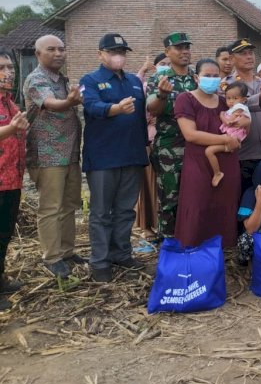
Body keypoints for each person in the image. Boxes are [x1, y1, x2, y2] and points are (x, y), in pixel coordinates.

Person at [80, 34, 149, 282]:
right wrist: (115, 109)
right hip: (103, 158)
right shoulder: (91, 80)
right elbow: (90, 107)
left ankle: (122, 253)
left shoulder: (132, 81)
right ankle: (100, 262)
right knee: (100, 213)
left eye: (122, 51)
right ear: (101, 54)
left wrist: (144, 146)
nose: (118, 55)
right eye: (112, 51)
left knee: (125, 210)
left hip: (131, 155)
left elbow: (141, 118)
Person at [23, 34, 84, 278]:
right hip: (47, 155)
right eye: (52, 49)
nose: (59, 53)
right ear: (38, 54)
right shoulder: (36, 79)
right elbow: (51, 104)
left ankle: (67, 251)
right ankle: (52, 256)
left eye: (61, 49)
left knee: (70, 205)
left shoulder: (62, 78)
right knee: (51, 207)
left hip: (70, 152)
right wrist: (69, 101)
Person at [174, 59, 245, 247]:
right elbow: (190, 134)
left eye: (215, 76)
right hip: (198, 163)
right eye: (207, 76)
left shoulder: (225, 102)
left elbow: (240, 128)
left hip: (227, 162)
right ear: (197, 77)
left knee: (224, 205)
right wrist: (224, 140)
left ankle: (221, 250)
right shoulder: (185, 99)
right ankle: (193, 249)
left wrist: (242, 129)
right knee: (197, 204)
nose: (212, 79)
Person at [146, 32, 197, 238]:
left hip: (196, 146)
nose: (185, 51)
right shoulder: (160, 78)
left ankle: (190, 238)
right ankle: (168, 242)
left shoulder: (196, 77)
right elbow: (153, 108)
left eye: (187, 47)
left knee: (194, 195)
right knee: (170, 197)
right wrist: (162, 95)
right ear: (167, 52)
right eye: (179, 48)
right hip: (170, 148)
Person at [222, 38, 261, 193]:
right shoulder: (226, 85)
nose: (249, 56)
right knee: (246, 198)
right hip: (244, 155)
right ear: (232, 59)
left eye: (251, 53)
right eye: (243, 53)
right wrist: (260, 98)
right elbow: (231, 112)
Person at [0, 48, 29, 308]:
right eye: (2, 68)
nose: (8, 73)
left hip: (11, 179)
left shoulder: (9, 101)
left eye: (10, 67)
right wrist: (11, 128)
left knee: (4, 234)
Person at [135, 52, 169, 242]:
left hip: (173, 144)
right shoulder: (147, 87)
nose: (166, 67)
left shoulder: (180, 87)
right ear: (155, 67)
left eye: (168, 64)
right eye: (162, 63)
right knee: (148, 185)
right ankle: (148, 226)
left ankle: (167, 227)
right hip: (150, 141)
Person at [206, 81, 251, 187]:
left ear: (244, 99)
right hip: (232, 139)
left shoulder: (240, 108)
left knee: (209, 150)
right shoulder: (232, 110)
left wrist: (222, 115)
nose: (231, 101)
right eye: (228, 98)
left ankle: (217, 173)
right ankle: (217, 173)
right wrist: (223, 115)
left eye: (235, 98)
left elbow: (228, 122)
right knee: (209, 151)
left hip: (232, 138)